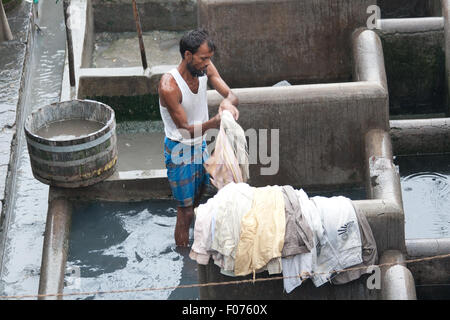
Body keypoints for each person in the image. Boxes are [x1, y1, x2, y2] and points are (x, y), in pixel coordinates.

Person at [158, 29, 239, 247]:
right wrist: (215, 122)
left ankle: (199, 241)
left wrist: (227, 104)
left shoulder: (205, 68)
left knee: (199, 200)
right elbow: (184, 128)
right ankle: (185, 263)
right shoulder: (169, 86)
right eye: (203, 58)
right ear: (187, 56)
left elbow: (231, 95)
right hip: (180, 148)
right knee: (184, 212)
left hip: (200, 144)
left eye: (209, 58)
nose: (207, 63)